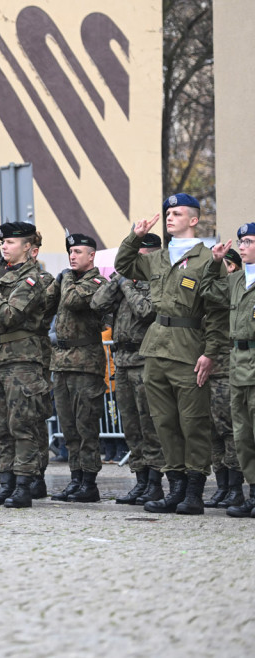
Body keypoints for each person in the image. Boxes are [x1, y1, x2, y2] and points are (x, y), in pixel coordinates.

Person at [115, 193, 226, 515]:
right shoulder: (158, 258)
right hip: (156, 346)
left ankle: (194, 491)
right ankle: (174, 487)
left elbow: (218, 312)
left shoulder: (208, 258)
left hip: (189, 349)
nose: (170, 217)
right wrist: (134, 237)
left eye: (177, 213)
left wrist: (211, 353)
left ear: (193, 220)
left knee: (193, 423)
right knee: (163, 422)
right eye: (168, 213)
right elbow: (124, 265)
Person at [0, 222, 50, 508]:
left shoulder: (33, 279)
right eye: (3, 242)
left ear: (28, 247)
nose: (5, 246)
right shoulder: (1, 274)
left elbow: (9, 315)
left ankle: (24, 486)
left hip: (21, 360)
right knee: (0, 427)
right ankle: (6, 483)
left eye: (12, 242)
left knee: (22, 426)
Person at [91, 233, 165, 505]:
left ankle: (156, 484)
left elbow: (146, 311)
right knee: (131, 427)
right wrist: (119, 280)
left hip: (146, 360)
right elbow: (96, 303)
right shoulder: (126, 280)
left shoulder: (157, 280)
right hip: (122, 362)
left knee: (150, 426)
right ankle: (141, 480)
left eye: (141, 256)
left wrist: (127, 285)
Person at [46, 233, 108, 503]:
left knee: (86, 427)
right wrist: (55, 283)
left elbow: (73, 301)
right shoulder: (65, 281)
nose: (72, 256)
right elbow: (47, 305)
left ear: (91, 255)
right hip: (62, 363)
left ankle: (89, 483)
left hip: (85, 363)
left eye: (78, 252)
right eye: (70, 252)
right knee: (69, 428)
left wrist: (66, 279)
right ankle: (75, 479)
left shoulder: (97, 282)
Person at [204, 223, 255, 518]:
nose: (243, 245)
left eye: (248, 241)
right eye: (241, 241)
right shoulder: (236, 280)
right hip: (238, 363)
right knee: (243, 435)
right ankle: (251, 493)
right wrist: (214, 263)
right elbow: (210, 290)